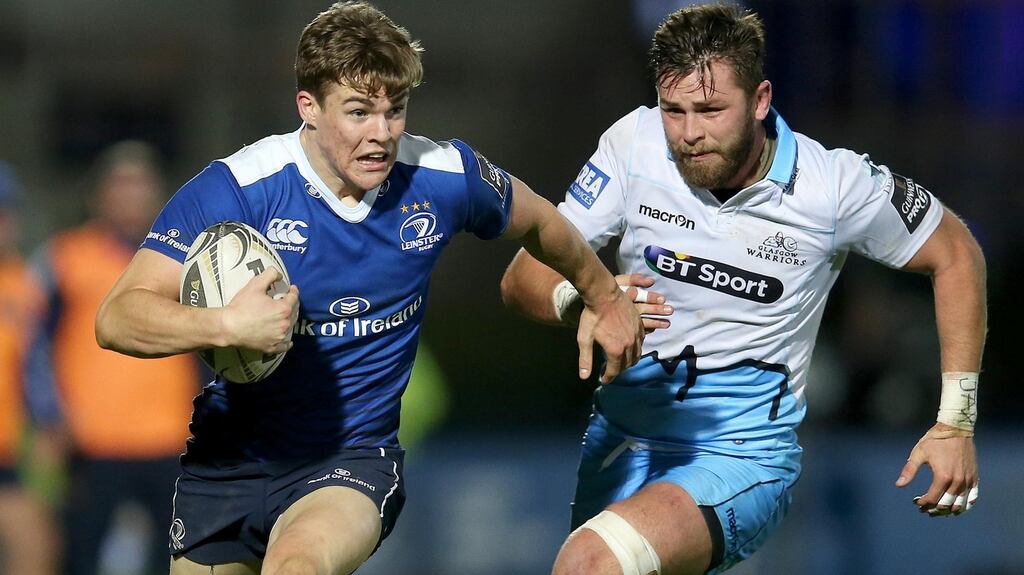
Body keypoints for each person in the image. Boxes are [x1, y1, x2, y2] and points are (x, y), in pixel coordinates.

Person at [94, 2, 645, 574]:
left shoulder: (442, 176)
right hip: (229, 462)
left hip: (349, 459)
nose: (381, 135)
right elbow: (118, 317)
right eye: (359, 113)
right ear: (308, 106)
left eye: (395, 111)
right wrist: (226, 325)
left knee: (297, 566)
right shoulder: (239, 189)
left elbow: (543, 223)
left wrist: (604, 298)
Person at [500, 3, 986, 574]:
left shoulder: (832, 185)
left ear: (760, 100)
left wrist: (956, 420)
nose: (688, 134)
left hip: (742, 455)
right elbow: (522, 278)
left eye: (710, 109)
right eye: (672, 111)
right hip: (624, 440)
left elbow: (956, 254)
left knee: (590, 563)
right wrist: (585, 302)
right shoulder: (633, 144)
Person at [24, 142, 200, 575]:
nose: (131, 195)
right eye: (121, 184)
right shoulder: (65, 257)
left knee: (173, 559)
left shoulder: (186, 259)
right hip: (92, 441)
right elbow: (32, 346)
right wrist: (50, 417)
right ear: (99, 195)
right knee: (81, 556)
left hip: (171, 438)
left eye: (141, 185)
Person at [0, 162, 61, 575]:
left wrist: (50, 422)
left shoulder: (25, 285)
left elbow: (38, 367)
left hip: (8, 454)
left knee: (36, 547)